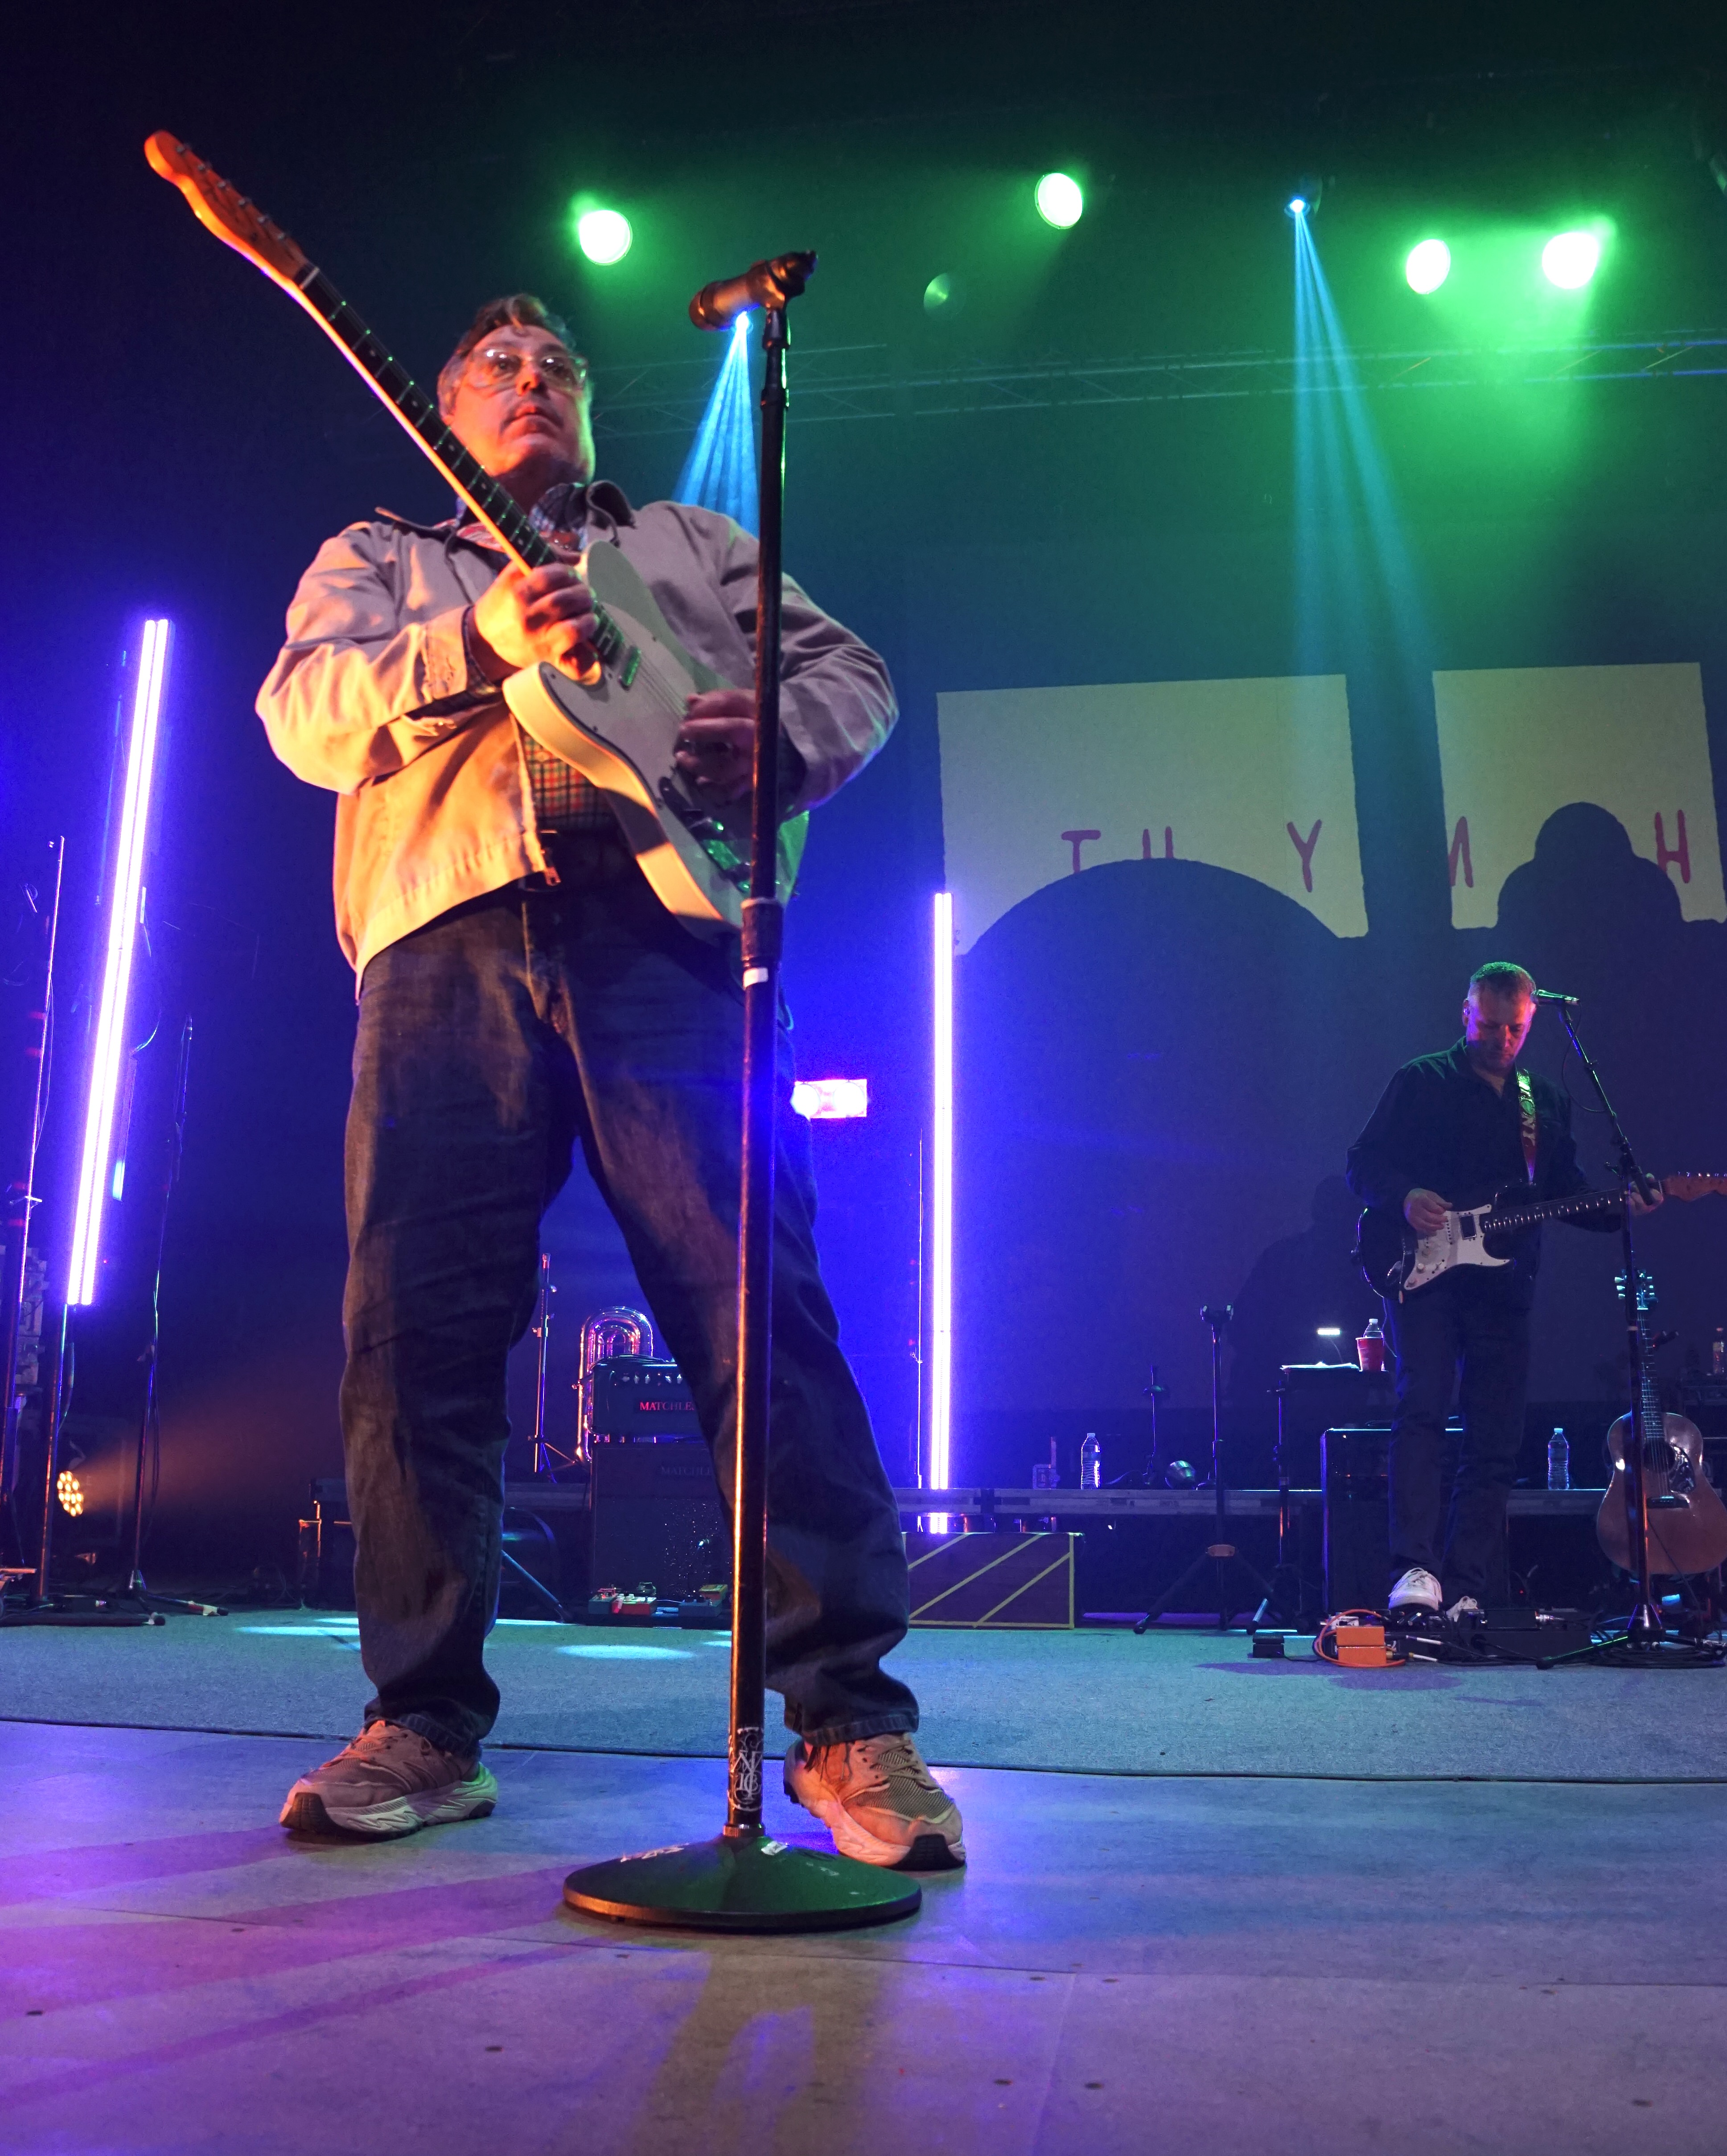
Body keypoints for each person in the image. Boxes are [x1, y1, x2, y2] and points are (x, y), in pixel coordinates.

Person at [256, 293, 963, 1869]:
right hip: (445, 935)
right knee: (416, 1338)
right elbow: (301, 713)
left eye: (558, 365)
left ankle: (849, 1722)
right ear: (440, 405)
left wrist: (774, 735)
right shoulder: (385, 552)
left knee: (756, 1316)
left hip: (671, 936)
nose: (533, 379)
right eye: (499, 363)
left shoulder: (689, 541)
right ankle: (423, 1722)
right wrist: (479, 639)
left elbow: (850, 671)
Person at [1345, 962, 1659, 1622]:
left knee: (1494, 1436)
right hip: (1422, 1275)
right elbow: (1363, 1160)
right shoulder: (1420, 1080)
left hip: (1505, 1286)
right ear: (1465, 1012)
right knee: (1422, 1414)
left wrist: (1620, 1206)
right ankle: (1413, 1571)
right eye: (1488, 1025)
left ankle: (1467, 1586)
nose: (1500, 1038)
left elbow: (1561, 1187)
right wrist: (1404, 1197)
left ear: (1531, 1021)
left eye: (1514, 1028)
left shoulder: (1540, 1098)